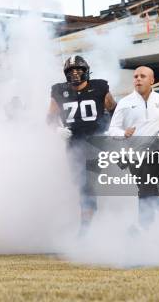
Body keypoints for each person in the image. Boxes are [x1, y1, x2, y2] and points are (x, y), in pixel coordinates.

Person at [47, 55, 117, 231]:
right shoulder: (58, 90)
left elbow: (115, 111)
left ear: (86, 71)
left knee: (88, 183)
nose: (75, 74)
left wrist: (111, 129)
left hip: (96, 142)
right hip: (74, 144)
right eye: (71, 71)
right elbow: (50, 118)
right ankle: (93, 214)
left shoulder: (100, 87)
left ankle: (86, 228)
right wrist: (57, 130)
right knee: (79, 182)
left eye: (78, 70)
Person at [108, 66, 159, 228]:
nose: (138, 79)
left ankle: (144, 229)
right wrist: (124, 133)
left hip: (158, 151)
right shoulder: (125, 103)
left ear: (152, 80)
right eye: (135, 76)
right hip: (133, 155)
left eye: (142, 76)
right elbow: (112, 129)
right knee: (147, 189)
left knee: (145, 188)